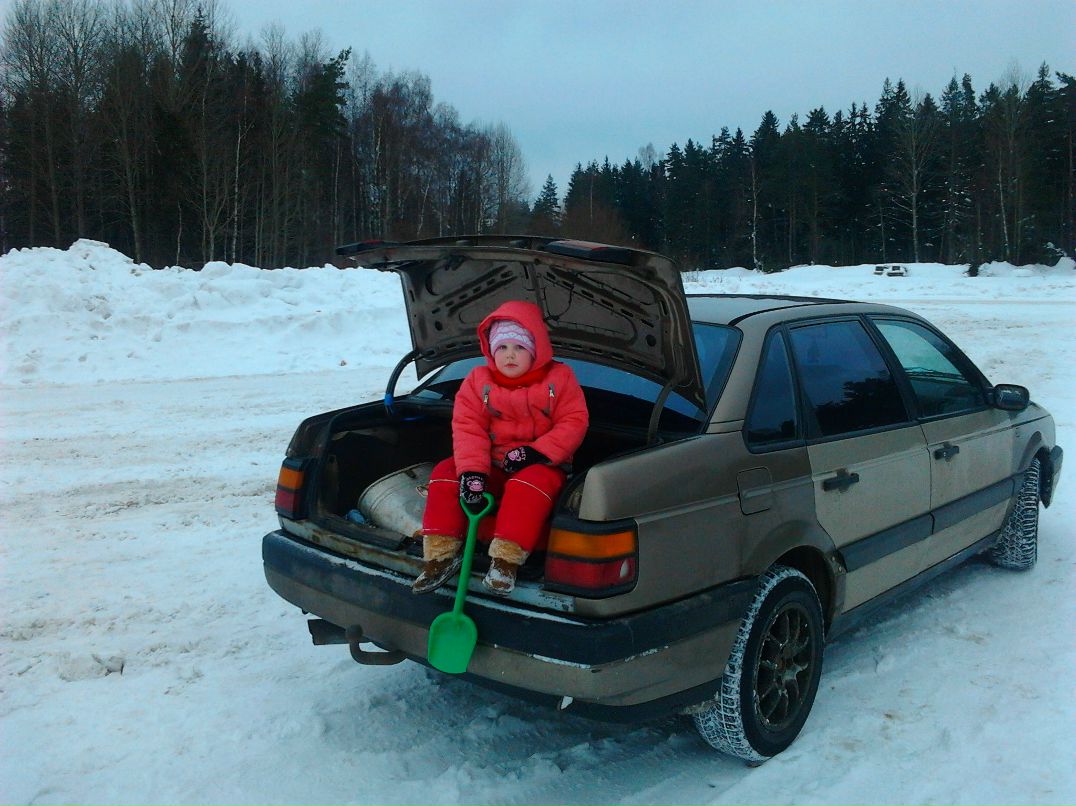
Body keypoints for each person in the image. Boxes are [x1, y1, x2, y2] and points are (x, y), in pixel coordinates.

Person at [412, 300, 589, 596]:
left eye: (519, 348)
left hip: (542, 465)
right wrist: (472, 473)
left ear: (535, 349)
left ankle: (505, 561)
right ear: (491, 350)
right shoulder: (477, 381)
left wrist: (537, 453)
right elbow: (469, 429)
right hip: (491, 463)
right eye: (502, 347)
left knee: (527, 485)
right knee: (446, 472)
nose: (510, 355)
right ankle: (440, 556)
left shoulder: (560, 378)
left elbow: (574, 421)